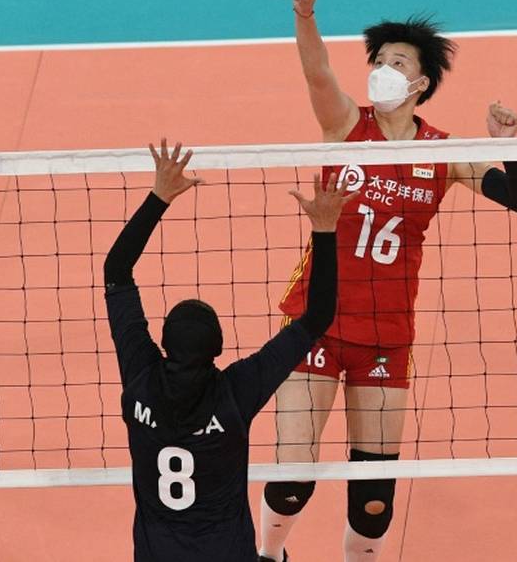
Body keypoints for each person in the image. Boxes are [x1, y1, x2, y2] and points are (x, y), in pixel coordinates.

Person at [259, 0, 517, 562]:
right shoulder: (344, 126)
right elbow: (317, 72)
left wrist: (509, 148)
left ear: (421, 85)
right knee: (290, 480)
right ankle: (267, 554)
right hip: (315, 323)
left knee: (373, 500)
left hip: (386, 336)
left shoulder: (446, 155)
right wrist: (304, 14)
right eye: (379, 60)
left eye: (399, 64)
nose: (384, 71)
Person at [104, 139, 354, 561]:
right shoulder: (235, 392)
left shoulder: (141, 376)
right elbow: (319, 316)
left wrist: (159, 196)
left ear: (162, 343)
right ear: (217, 349)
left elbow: (116, 271)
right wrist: (325, 230)